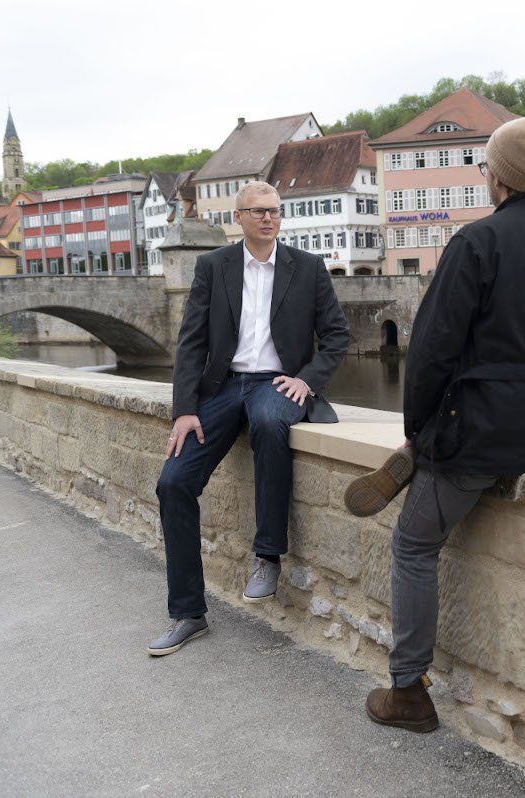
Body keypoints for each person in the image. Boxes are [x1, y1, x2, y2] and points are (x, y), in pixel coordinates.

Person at [355, 116, 525, 733]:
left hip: (483, 430)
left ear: (497, 176)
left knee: (414, 544)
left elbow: (433, 350)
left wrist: (417, 429)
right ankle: (434, 456)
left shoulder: (477, 243)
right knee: (460, 454)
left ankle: (408, 692)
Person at [148, 181, 350, 656]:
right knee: (173, 482)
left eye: (274, 211)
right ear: (237, 218)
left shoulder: (308, 267)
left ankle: (267, 555)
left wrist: (307, 380)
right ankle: (188, 613)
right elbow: (192, 343)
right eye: (257, 211)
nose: (267, 218)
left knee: (268, 422)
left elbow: (337, 336)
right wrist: (184, 411)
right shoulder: (213, 267)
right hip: (221, 388)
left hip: (277, 383)